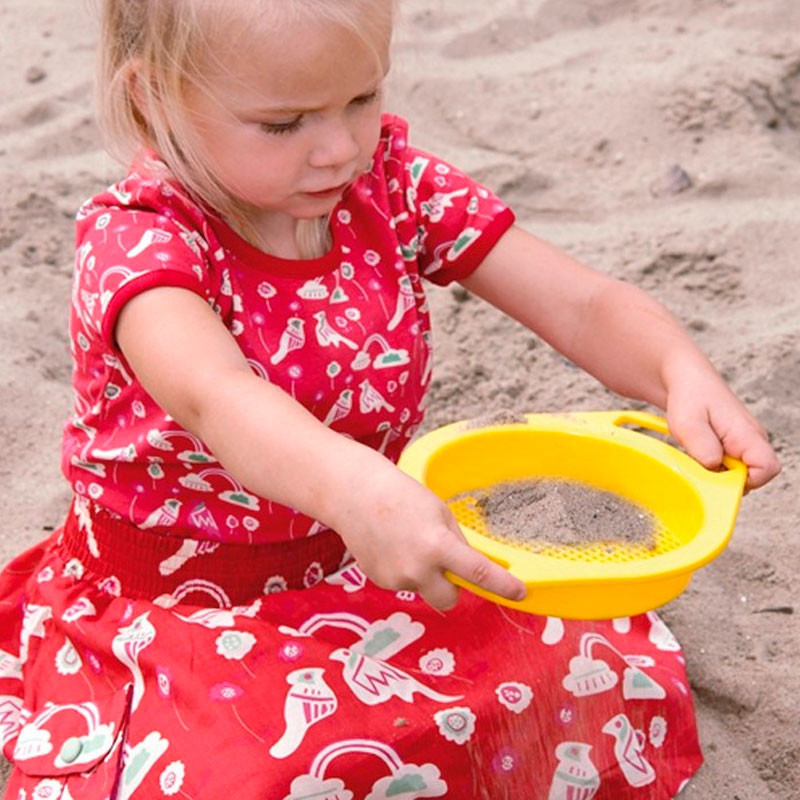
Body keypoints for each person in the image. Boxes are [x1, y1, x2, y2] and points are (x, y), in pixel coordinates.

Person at [0, 0, 780, 797]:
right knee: (258, 773)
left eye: (361, 99)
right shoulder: (141, 238)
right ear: (151, 98)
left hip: (377, 555)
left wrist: (675, 366)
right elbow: (215, 396)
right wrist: (352, 487)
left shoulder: (389, 185)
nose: (338, 148)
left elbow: (576, 303)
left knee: (591, 665)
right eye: (283, 124)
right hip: (185, 606)